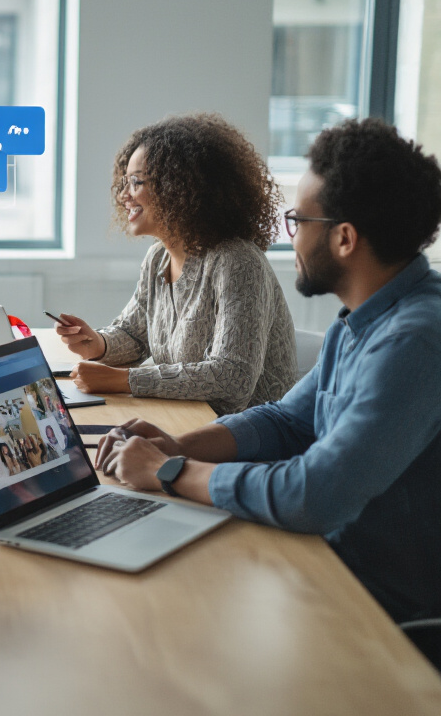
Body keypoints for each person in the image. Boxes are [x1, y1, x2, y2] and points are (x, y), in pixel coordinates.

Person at [95, 119, 441, 623]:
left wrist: (170, 472)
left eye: (299, 221)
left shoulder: (413, 340)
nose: (291, 237)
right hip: (324, 560)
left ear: (344, 239)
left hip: (377, 603)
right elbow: (287, 421)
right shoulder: (363, 320)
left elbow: (313, 494)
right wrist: (178, 446)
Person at [53, 114, 296, 415]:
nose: (123, 195)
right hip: (190, 421)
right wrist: (98, 344)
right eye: (123, 182)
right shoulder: (158, 257)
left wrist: (125, 380)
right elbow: (134, 334)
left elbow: (232, 379)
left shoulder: (238, 262)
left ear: (178, 186)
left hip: (251, 441)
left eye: (135, 182)